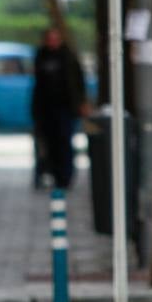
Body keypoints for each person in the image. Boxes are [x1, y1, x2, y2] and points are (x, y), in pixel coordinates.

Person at [31, 28, 87, 189]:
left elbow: (78, 81)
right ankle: (51, 173)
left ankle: (65, 176)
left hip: (65, 108)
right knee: (48, 143)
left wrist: (80, 103)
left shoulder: (68, 57)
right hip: (46, 108)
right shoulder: (41, 56)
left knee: (64, 142)